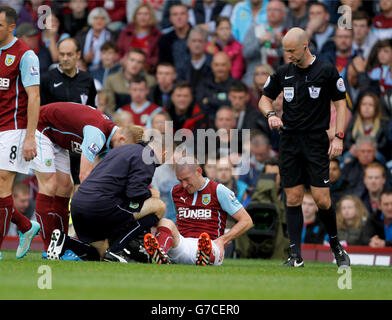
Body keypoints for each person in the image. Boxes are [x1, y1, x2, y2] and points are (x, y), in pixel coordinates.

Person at [259, 27, 350, 267]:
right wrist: (270, 114)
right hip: (289, 141)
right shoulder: (283, 72)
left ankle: (336, 246)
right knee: (293, 197)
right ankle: (295, 255)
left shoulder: (326, 70)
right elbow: (264, 98)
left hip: (315, 141)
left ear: (305, 46)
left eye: (291, 50)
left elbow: (341, 105)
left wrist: (338, 136)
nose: (288, 54)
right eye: (285, 50)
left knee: (321, 199)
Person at [29, 102, 141, 250]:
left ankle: (61, 244)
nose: (125, 156)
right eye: (127, 150)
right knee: (50, 185)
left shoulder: (110, 138)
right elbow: (85, 175)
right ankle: (48, 246)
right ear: (122, 139)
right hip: (41, 127)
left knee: (65, 187)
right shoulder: (97, 134)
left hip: (56, 136)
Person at [46, 133, 168, 262]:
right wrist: (151, 194)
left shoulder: (124, 149)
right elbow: (135, 193)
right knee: (158, 206)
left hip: (78, 205)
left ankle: (65, 241)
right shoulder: (147, 157)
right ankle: (117, 250)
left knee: (101, 253)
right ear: (165, 153)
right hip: (99, 206)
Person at [143, 157, 253, 265]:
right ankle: (161, 252)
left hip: (211, 243)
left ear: (198, 171)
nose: (184, 185)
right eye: (180, 180)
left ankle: (203, 255)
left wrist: (223, 240)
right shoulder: (175, 192)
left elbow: (247, 221)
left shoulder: (218, 190)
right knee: (165, 222)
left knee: (206, 244)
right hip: (183, 244)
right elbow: (173, 220)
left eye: (186, 179)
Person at [0, 5, 41, 260]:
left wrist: (29, 136)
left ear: (12, 27)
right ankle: (26, 226)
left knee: (4, 182)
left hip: (13, 129)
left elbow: (34, 97)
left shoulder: (25, 55)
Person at [242, 0, 286, 86]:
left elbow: (291, 58)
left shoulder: (288, 33)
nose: (272, 12)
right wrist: (260, 42)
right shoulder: (254, 29)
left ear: (284, 14)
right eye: (269, 10)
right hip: (254, 81)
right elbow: (245, 53)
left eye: (276, 10)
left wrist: (281, 43)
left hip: (278, 81)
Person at [104, 48, 156, 114]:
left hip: (146, 120)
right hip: (119, 120)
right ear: (125, 60)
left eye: (139, 62)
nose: (135, 64)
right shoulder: (112, 79)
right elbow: (109, 107)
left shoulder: (151, 81)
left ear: (143, 65)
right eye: (132, 60)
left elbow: (155, 107)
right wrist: (116, 122)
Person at [344, 93, 390, 163]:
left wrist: (370, 149)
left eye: (370, 105)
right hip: (356, 152)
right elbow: (347, 139)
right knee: (347, 157)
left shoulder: (383, 123)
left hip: (376, 154)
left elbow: (385, 143)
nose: (367, 107)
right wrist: (351, 147)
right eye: (364, 104)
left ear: (376, 108)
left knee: (377, 155)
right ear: (359, 107)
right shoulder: (354, 121)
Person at [117, 2, 161, 73]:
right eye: (139, 14)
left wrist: (143, 63)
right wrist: (121, 60)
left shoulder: (157, 35)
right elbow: (118, 52)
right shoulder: (125, 32)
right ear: (135, 16)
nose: (142, 17)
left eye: (146, 14)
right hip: (124, 69)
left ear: (151, 16)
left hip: (147, 70)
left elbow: (157, 57)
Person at [196, 51, 234, 122]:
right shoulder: (203, 83)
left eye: (223, 65)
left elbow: (233, 104)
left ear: (229, 65)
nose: (220, 69)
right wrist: (223, 99)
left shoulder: (236, 85)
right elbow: (200, 104)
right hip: (206, 124)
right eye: (217, 65)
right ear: (212, 66)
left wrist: (209, 100)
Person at [75, 7, 114, 72]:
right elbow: (75, 53)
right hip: (85, 68)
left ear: (106, 21)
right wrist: (84, 59)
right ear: (91, 20)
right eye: (96, 18)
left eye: (102, 18)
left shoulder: (113, 35)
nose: (99, 21)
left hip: (106, 68)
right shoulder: (81, 36)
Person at [176, 26, 213, 90]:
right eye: (194, 41)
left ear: (206, 43)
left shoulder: (213, 62)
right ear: (188, 43)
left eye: (200, 41)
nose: (197, 44)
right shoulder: (181, 63)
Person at [158, 3, 191, 73]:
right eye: (175, 14)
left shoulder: (198, 36)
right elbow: (163, 64)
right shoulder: (164, 40)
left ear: (188, 16)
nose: (179, 18)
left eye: (182, 14)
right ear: (170, 18)